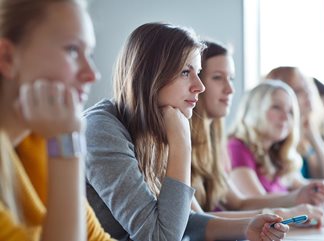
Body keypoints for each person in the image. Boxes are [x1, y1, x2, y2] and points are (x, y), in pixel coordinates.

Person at [84, 23, 289, 241]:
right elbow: (160, 237)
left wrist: (247, 227)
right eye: (185, 72)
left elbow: (177, 220)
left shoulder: (150, 129)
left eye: (198, 73)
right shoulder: (101, 131)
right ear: (150, 76)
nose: (199, 86)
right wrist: (182, 143)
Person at [0, 0, 113, 240]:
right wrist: (67, 144)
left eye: (89, 53)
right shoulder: (56, 139)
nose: (92, 74)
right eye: (72, 50)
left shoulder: (37, 139)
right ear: (7, 57)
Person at [190, 40, 324, 227]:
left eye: (231, 78)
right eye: (217, 77)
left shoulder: (214, 143)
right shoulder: (231, 146)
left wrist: (296, 199)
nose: (230, 89)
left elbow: (238, 203)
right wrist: (284, 212)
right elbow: (196, 221)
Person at [265, 67, 324, 183]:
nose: (307, 94)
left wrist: (314, 137)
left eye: (307, 88)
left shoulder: (303, 139)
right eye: (298, 90)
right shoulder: (277, 140)